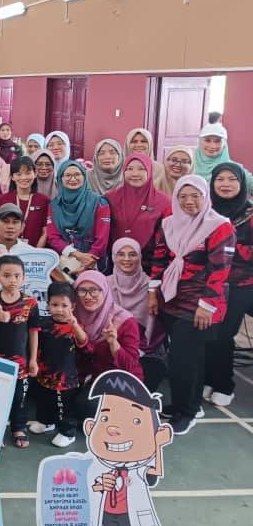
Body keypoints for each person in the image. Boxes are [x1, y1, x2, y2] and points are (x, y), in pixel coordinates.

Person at [149, 176, 235, 435]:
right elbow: (159, 259)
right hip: (171, 299)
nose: (189, 201)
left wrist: (206, 305)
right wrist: (153, 293)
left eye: (195, 195)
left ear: (205, 196)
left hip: (199, 305)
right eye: (183, 196)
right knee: (188, 359)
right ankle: (186, 405)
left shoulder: (219, 226)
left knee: (183, 360)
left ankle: (186, 413)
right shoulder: (168, 223)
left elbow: (220, 271)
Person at [83, 372, 172, 526]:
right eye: (104, 419)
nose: (113, 429)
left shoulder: (138, 469)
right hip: (109, 510)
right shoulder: (106, 468)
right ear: (91, 427)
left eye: (135, 421)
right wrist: (100, 485)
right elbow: (95, 486)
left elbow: (156, 472)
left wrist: (158, 446)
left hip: (132, 510)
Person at [0, 256, 40, 448]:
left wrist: (33, 359)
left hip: (21, 362)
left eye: (16, 275)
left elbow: (34, 331)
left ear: (24, 277)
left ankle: (18, 428)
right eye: (6, 275)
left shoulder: (31, 303)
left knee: (19, 397)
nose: (12, 280)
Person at [206, 163, 253, 407]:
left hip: (242, 285)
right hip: (211, 282)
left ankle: (224, 385)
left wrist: (227, 249)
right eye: (220, 179)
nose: (225, 184)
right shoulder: (206, 210)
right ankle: (212, 378)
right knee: (211, 333)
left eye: (232, 179)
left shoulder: (250, 214)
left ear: (242, 183)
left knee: (224, 333)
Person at [28, 282, 85, 448]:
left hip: (65, 378)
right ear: (48, 305)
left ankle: (68, 432)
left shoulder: (75, 326)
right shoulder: (43, 323)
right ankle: (46, 422)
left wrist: (75, 325)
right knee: (44, 400)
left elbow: (83, 341)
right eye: (54, 305)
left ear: (73, 306)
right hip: (44, 374)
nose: (59, 309)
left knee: (64, 406)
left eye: (64, 305)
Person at [110, 237, 167, 391]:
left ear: (140, 257)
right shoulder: (105, 284)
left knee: (141, 387)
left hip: (146, 350)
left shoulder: (152, 288)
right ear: (113, 257)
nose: (127, 259)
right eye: (121, 254)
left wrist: (135, 349)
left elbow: (157, 330)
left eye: (132, 254)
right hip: (110, 345)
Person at [73, 271, 144, 395]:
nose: (88, 296)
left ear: (105, 291)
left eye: (94, 290)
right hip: (83, 379)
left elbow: (131, 366)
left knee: (88, 404)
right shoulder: (73, 316)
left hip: (118, 381)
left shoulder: (124, 321)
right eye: (82, 290)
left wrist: (113, 343)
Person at [46, 162, 111, 275]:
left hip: (93, 261)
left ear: (84, 177)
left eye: (77, 174)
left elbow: (102, 238)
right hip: (63, 263)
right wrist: (77, 255)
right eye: (67, 175)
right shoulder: (55, 205)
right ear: (60, 178)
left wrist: (89, 260)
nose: (73, 179)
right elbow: (53, 237)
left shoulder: (99, 203)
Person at [104, 153, 171, 263]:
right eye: (129, 169)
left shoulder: (164, 202)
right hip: (116, 259)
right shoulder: (110, 198)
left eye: (141, 169)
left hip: (150, 262)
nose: (135, 174)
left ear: (149, 171)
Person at [0, 156, 49, 246]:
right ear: (12, 177)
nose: (23, 177)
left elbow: (45, 231)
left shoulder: (44, 200)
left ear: (35, 173)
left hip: (34, 251)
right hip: (7, 249)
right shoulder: (3, 199)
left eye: (28, 173)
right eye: (18, 174)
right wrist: (3, 248)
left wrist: (36, 252)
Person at [194, 122, 253, 190]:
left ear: (224, 143)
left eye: (217, 141)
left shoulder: (236, 169)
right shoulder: (189, 166)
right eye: (207, 140)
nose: (212, 146)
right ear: (200, 141)